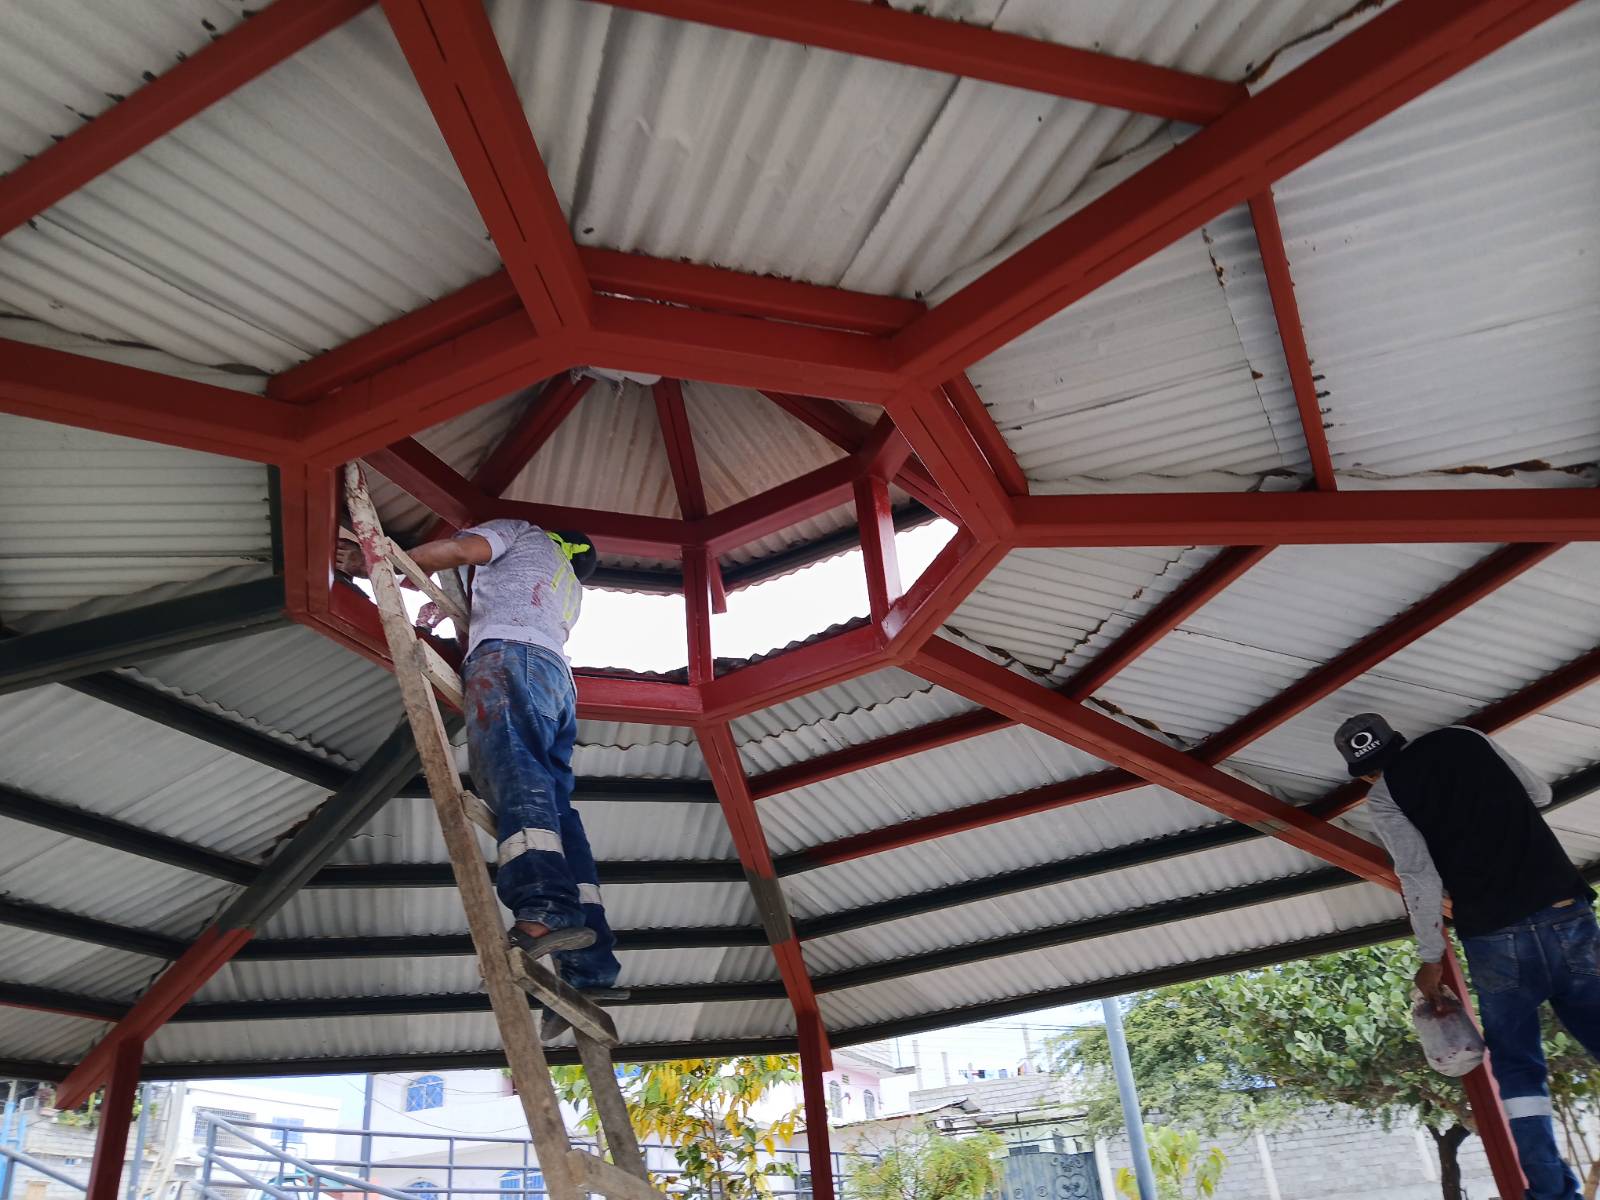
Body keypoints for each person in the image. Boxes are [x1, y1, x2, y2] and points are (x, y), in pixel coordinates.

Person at [339, 519, 622, 1037]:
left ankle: (544, 907)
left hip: (511, 656)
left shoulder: (525, 532)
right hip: (556, 680)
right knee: (556, 808)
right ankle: (592, 965)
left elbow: (459, 550)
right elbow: (513, 598)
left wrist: (374, 563)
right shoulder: (567, 586)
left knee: (513, 770)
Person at [1335, 713, 1598, 1198]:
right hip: (1564, 907)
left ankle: (1550, 1192)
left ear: (1366, 772)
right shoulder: (1464, 738)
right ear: (1397, 738)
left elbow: (1419, 876)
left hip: (1495, 934)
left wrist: (1431, 956)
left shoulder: (1385, 797)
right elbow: (1539, 794)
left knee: (1519, 1066)